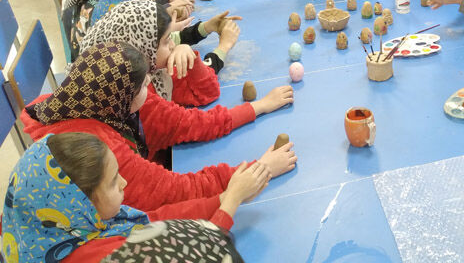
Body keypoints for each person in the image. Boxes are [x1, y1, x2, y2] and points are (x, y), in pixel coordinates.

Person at [22, 41, 297, 212]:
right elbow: (175, 193)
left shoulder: (70, 104)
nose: (150, 88)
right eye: (144, 85)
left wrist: (258, 107)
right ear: (122, 97)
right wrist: (259, 171)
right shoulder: (103, 152)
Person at [1, 132, 264, 262]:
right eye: (115, 182)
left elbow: (152, 223)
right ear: (83, 206)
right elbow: (195, 254)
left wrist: (221, 199)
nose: (124, 183)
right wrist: (230, 203)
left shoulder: (63, 228)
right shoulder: (99, 255)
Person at [81, 0, 242, 105]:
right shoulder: (144, 91)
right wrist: (224, 47)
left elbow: (169, 39)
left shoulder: (135, 59)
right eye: (167, 41)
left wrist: (206, 27)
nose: (172, 45)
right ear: (143, 49)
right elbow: (207, 88)